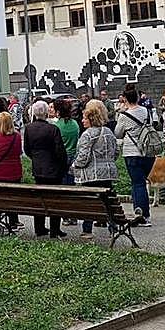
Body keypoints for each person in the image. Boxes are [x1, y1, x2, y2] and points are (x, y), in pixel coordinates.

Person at [70, 100, 120, 239]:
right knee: (107, 201)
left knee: (90, 202)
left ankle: (87, 230)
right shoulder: (108, 132)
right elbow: (116, 153)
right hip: (108, 173)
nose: (82, 120)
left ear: (91, 119)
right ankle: (113, 227)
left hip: (91, 175)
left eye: (84, 118)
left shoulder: (87, 134)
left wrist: (74, 166)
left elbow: (83, 157)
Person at [23, 100, 68, 238]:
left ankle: (40, 227)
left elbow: (27, 149)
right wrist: (62, 164)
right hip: (53, 169)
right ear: (47, 112)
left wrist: (36, 158)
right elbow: (60, 151)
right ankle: (55, 230)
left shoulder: (29, 129)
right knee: (55, 199)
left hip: (38, 168)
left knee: (40, 197)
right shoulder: (53, 129)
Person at [115, 86, 159, 227]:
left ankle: (143, 216)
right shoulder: (146, 111)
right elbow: (151, 125)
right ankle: (138, 211)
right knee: (140, 182)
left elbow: (118, 133)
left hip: (132, 152)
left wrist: (120, 115)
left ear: (125, 99)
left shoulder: (124, 116)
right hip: (148, 151)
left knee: (138, 183)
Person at [0, 110, 24, 230]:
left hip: (2, 171)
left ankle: (9, 219)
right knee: (14, 195)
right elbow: (19, 152)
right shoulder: (17, 136)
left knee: (5, 196)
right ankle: (15, 219)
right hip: (16, 170)